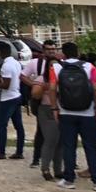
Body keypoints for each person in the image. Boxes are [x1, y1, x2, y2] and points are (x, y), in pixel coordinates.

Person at [45, 41, 96, 192]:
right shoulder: (89, 67)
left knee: (69, 146)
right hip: (87, 112)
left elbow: (52, 88)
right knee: (90, 147)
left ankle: (69, 179)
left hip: (66, 112)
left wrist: (54, 107)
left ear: (63, 54)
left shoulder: (56, 67)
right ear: (78, 53)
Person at [27, 45, 62, 181]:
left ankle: (58, 169)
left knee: (59, 140)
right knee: (50, 139)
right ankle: (45, 168)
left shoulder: (62, 77)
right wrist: (46, 87)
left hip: (60, 109)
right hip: (46, 109)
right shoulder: (42, 78)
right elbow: (35, 94)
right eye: (51, 66)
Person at [0, 40, 25, 160]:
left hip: (8, 98)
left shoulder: (6, 65)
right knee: (18, 125)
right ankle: (19, 151)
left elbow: (6, 85)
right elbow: (11, 79)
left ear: (1, 52)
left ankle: (1, 152)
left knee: (1, 125)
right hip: (17, 95)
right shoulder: (16, 63)